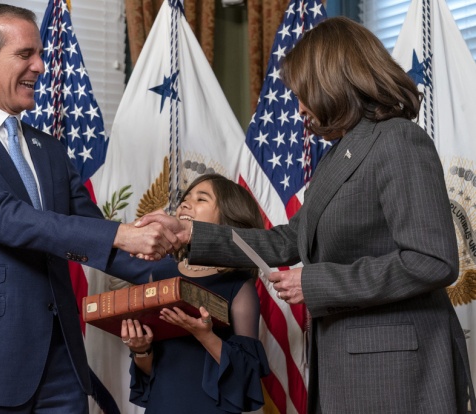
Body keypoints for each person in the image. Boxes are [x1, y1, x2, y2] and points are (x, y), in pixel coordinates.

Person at [137, 17, 476, 414]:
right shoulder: (337, 157)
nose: (299, 107)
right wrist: (190, 234)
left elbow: (432, 261)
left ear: (333, 82)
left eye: (303, 94)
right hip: (346, 369)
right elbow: (285, 241)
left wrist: (314, 282)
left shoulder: (398, 141)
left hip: (397, 372)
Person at [0, 4, 177, 413]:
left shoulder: (50, 149)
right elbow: (5, 218)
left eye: (39, 54)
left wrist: (192, 273)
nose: (40, 65)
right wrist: (122, 233)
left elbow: (90, 234)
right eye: (25, 54)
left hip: (62, 364)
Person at [120, 174, 270, 413]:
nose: (185, 204)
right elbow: (153, 370)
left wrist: (205, 335)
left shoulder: (238, 285)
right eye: (185, 198)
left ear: (226, 221)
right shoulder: (159, 273)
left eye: (201, 198)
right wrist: (141, 349)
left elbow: (245, 376)